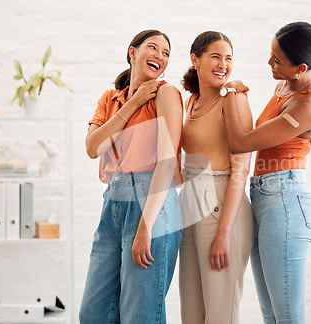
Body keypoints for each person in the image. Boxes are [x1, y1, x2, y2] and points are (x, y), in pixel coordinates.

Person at [221, 22, 311, 323]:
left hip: (287, 203)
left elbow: (239, 142)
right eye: (271, 54)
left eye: (277, 60)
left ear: (300, 68)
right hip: (267, 198)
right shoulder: (284, 86)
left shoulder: (308, 105)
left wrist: (230, 92)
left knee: (287, 317)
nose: (269, 63)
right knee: (270, 313)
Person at [79, 30, 184, 324]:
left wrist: (146, 226)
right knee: (93, 313)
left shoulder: (165, 93)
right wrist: (133, 103)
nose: (160, 56)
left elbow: (166, 161)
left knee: (141, 315)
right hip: (113, 200)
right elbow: (93, 147)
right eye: (153, 47)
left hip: (153, 202)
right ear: (132, 52)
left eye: (166, 53)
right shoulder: (110, 99)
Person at [178, 31, 254, 324]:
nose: (224, 64)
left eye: (229, 58)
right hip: (191, 202)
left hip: (223, 204)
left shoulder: (234, 100)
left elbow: (241, 169)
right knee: (192, 311)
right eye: (216, 56)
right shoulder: (191, 102)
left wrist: (224, 232)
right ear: (195, 59)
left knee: (221, 312)